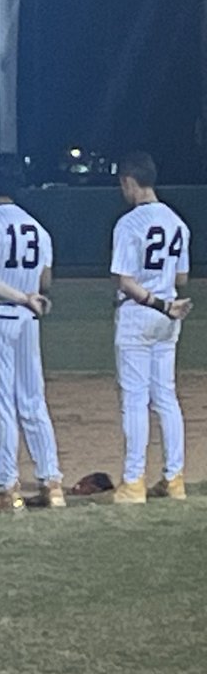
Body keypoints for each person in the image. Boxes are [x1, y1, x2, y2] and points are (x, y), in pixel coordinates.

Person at [0, 153, 64, 512]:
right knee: (32, 400)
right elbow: (45, 280)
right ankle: (51, 483)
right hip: (28, 319)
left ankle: (6, 487)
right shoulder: (37, 228)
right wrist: (28, 294)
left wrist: (18, 294)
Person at [110, 151, 193, 503]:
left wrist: (153, 300)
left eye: (123, 184)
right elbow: (181, 277)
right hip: (169, 315)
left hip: (139, 312)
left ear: (130, 181)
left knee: (135, 399)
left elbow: (125, 281)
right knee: (166, 397)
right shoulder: (177, 222)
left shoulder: (129, 223)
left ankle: (133, 482)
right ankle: (174, 479)